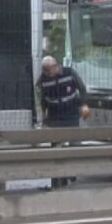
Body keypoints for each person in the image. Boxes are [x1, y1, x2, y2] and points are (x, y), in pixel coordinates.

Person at [35, 56, 90, 188]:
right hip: (54, 119)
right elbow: (40, 99)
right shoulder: (43, 79)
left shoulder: (69, 73)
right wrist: (41, 119)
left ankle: (71, 174)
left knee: (75, 147)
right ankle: (57, 182)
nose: (47, 73)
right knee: (56, 152)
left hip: (71, 115)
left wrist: (84, 105)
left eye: (48, 70)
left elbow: (82, 88)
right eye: (44, 71)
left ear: (56, 66)